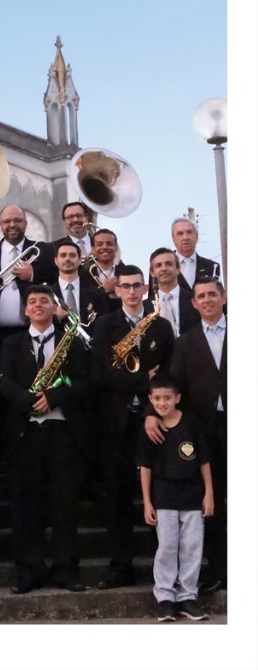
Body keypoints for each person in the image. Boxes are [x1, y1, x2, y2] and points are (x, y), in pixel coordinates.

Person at [0, 285, 90, 594]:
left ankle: (66, 569)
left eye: (45, 301)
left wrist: (55, 396)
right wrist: (26, 399)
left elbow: (85, 381)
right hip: (26, 434)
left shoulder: (73, 342)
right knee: (27, 505)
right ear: (25, 310)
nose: (38, 306)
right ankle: (29, 569)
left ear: (54, 308)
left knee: (64, 503)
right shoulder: (12, 344)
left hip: (61, 431)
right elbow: (3, 381)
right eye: (32, 302)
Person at [90, 264, 175, 589]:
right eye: (125, 286)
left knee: (161, 495)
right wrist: (142, 381)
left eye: (137, 285)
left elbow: (168, 374)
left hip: (156, 422)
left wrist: (154, 409)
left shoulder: (161, 327)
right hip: (115, 423)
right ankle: (121, 566)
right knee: (117, 497)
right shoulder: (105, 326)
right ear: (117, 291)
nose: (131, 291)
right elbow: (100, 374)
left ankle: (165, 567)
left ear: (145, 288)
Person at [145, 277, 227, 593]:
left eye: (212, 294)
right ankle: (220, 569)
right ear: (193, 304)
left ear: (224, 297)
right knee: (214, 502)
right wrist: (152, 413)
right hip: (207, 430)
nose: (207, 300)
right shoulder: (185, 343)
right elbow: (171, 384)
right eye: (201, 296)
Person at [137, 374, 214, 622]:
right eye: (157, 399)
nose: (162, 403)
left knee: (192, 547)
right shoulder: (150, 429)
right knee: (167, 547)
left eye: (167, 398)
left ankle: (187, 597)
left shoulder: (191, 422)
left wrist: (209, 493)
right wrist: (147, 501)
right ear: (150, 399)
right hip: (164, 498)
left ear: (177, 398)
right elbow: (145, 467)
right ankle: (166, 598)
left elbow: (203, 460)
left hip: (192, 496)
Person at [0, 205, 57, 354]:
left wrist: (33, 274)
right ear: (1, 225)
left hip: (33, 331)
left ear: (25, 223)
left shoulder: (44, 250)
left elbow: (57, 281)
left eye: (17, 220)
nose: (12, 225)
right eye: (7, 221)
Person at [50, 238, 108, 333]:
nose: (67, 259)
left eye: (72, 255)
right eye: (63, 255)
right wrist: (56, 318)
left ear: (80, 260)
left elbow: (105, 326)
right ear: (56, 261)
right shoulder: (48, 294)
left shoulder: (97, 293)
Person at [149, 248, 200, 337]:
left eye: (168, 264)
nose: (164, 268)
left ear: (178, 269)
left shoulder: (195, 301)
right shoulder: (145, 307)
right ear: (152, 273)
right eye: (158, 265)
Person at [170, 217, 221, 288]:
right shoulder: (160, 267)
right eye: (180, 233)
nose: (185, 237)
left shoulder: (212, 267)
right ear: (173, 238)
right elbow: (153, 297)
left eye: (189, 232)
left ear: (196, 236)